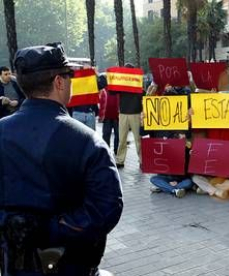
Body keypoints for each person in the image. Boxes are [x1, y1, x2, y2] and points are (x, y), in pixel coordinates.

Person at [0, 42, 123, 276]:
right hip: (72, 266)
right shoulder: (87, 141)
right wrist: (52, 230)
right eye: (69, 76)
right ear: (59, 82)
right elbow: (107, 208)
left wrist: (14, 227)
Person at [114, 63, 143, 168]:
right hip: (125, 113)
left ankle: (141, 160)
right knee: (123, 139)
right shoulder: (121, 83)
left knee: (137, 139)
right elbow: (112, 91)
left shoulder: (137, 82)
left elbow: (142, 94)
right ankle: (120, 160)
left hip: (134, 113)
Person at [98, 73, 120, 155]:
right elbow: (102, 104)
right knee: (106, 135)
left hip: (116, 117)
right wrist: (101, 116)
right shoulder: (104, 90)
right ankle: (107, 150)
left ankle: (116, 150)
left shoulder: (118, 90)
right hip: (107, 117)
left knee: (117, 135)